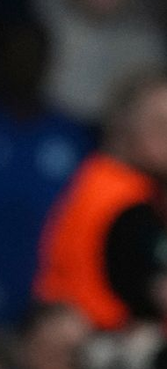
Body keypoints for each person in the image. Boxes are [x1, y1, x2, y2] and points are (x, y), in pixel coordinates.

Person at [36, 72, 167, 331]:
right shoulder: (125, 201)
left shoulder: (95, 178)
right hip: (98, 343)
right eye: (160, 124)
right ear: (123, 125)